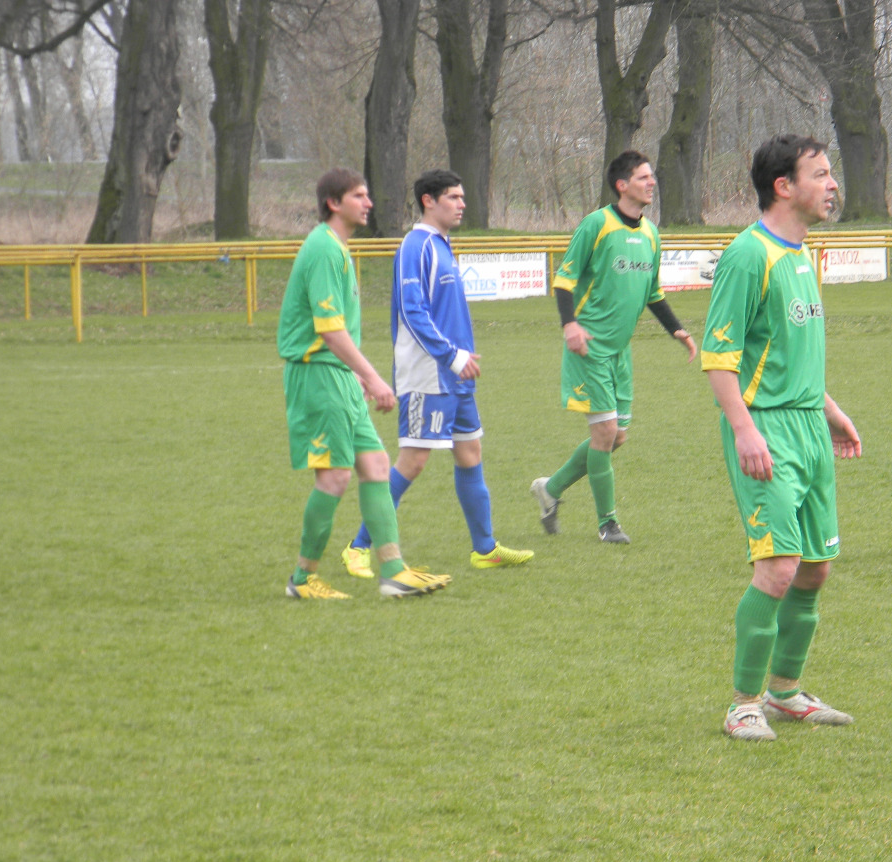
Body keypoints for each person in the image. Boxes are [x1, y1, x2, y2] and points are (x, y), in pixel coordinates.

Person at [701, 135, 862, 742]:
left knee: (814, 569)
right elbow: (719, 358)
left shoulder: (799, 254)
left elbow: (787, 351)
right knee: (777, 567)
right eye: (820, 174)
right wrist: (745, 430)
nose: (832, 184)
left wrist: (830, 409)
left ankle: (785, 692)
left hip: (808, 424)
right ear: (784, 186)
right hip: (765, 427)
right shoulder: (749, 255)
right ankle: (743, 704)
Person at [340, 169, 534, 576]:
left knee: (470, 453)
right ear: (429, 201)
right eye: (453, 197)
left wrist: (459, 361)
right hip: (428, 373)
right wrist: (451, 356)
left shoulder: (443, 245)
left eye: (462, 197)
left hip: (455, 375)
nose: (462, 204)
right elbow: (413, 312)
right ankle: (358, 547)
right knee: (413, 461)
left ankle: (485, 549)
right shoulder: (416, 246)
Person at [277, 167, 451, 599]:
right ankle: (301, 580)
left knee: (374, 466)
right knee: (334, 479)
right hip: (317, 376)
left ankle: (393, 571)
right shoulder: (324, 248)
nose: (368, 203)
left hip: (336, 375)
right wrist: (373, 378)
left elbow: (332, 331)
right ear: (333, 203)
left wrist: (355, 374)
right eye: (359, 195)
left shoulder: (337, 248)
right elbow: (329, 330)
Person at [530, 150, 697, 544]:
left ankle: (550, 489)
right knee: (605, 432)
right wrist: (570, 324)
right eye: (643, 177)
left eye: (651, 176)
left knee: (616, 437)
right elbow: (564, 279)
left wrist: (676, 329)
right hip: (589, 347)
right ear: (622, 185)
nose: (651, 182)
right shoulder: (597, 225)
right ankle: (608, 524)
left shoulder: (652, 233)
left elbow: (653, 292)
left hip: (621, 352)